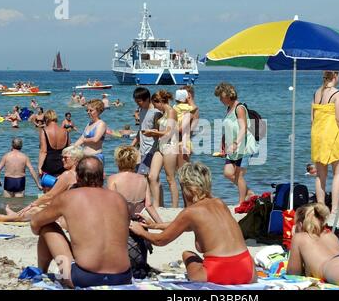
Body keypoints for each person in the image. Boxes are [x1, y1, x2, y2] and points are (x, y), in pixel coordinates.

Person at [129, 162, 257, 285]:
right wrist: (155, 226)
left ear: (189, 188)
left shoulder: (191, 212)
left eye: (183, 187)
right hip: (249, 271)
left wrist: (140, 231)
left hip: (218, 273)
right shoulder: (219, 203)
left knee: (187, 255)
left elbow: (160, 241)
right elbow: (190, 226)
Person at [30, 156, 132, 288]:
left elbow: (35, 224)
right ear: (103, 176)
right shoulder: (120, 199)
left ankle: (42, 271)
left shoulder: (69, 197)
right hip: (123, 277)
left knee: (47, 225)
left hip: (84, 278)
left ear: (77, 177)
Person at [0, 146, 83, 222]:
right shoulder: (81, 174)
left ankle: (3, 218)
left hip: (66, 215)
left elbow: (50, 195)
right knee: (40, 207)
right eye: (62, 157)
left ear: (75, 160)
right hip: (72, 212)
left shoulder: (67, 175)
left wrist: (31, 205)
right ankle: (15, 215)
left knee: (34, 210)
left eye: (65, 158)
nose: (62, 160)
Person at [214, 82, 258, 205]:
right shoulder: (229, 109)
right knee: (228, 173)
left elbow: (243, 128)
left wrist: (235, 143)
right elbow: (228, 128)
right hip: (232, 148)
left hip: (243, 146)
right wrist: (222, 144)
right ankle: (249, 193)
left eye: (221, 97)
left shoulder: (239, 108)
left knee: (238, 176)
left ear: (228, 95)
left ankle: (241, 202)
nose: (220, 100)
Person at [311, 71, 339, 213]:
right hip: (332, 135)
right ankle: (334, 208)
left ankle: (321, 206)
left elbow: (312, 119)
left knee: (321, 175)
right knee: (338, 173)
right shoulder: (337, 94)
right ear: (336, 76)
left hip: (317, 135)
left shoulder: (316, 93)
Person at [143, 90, 179, 208]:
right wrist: (154, 132)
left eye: (155, 104)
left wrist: (153, 133)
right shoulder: (163, 113)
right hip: (160, 146)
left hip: (170, 146)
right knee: (152, 176)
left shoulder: (172, 112)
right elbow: (162, 132)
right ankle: (157, 205)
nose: (155, 107)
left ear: (160, 102)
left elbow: (168, 133)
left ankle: (174, 207)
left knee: (170, 178)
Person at [107, 145, 162, 223]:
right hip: (138, 222)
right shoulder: (143, 179)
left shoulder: (113, 179)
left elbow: (111, 204)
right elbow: (149, 205)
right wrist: (160, 223)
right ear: (135, 162)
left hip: (122, 222)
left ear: (118, 161)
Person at [130, 87, 162, 208]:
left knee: (145, 176)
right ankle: (156, 203)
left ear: (147, 99)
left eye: (140, 101)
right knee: (149, 178)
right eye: (136, 101)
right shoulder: (141, 110)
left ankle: (151, 204)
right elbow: (140, 130)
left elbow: (160, 132)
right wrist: (133, 144)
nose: (138, 103)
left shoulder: (156, 113)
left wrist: (152, 134)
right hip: (142, 149)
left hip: (151, 149)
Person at [38, 110, 70, 178]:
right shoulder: (65, 131)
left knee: (48, 187)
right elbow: (68, 150)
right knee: (61, 187)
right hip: (62, 164)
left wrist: (39, 167)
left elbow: (43, 151)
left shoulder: (44, 131)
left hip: (48, 165)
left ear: (46, 119)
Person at [74, 99, 107, 165]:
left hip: (95, 157)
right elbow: (81, 138)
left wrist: (84, 140)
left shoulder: (101, 124)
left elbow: (95, 139)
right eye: (87, 110)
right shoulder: (89, 124)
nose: (88, 112)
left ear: (98, 111)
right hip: (85, 157)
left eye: (91, 110)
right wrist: (72, 147)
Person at [174, 87, 199, 168]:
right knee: (179, 173)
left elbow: (189, 129)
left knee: (183, 174)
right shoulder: (182, 109)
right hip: (179, 143)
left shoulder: (192, 111)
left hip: (183, 144)